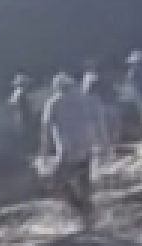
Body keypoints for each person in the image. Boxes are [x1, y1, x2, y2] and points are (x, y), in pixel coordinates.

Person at [40, 73, 107, 226]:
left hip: (67, 151)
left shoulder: (53, 103)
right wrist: (104, 145)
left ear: (57, 88)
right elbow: (99, 123)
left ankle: (81, 209)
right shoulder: (85, 100)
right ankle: (88, 217)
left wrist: (43, 154)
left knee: (56, 183)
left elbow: (45, 130)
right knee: (84, 184)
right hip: (86, 148)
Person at [82, 60, 121, 145]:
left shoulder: (92, 77)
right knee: (108, 127)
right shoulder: (94, 77)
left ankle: (111, 144)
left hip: (105, 105)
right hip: (104, 105)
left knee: (108, 127)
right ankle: (110, 144)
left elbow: (87, 92)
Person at [9, 73, 39, 155]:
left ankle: (25, 154)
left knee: (22, 140)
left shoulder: (14, 95)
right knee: (29, 139)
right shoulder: (22, 93)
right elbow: (27, 108)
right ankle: (31, 155)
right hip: (25, 120)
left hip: (18, 120)